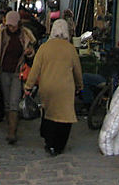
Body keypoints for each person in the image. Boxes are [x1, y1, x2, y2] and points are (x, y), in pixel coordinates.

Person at [25, 18, 83, 155]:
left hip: (47, 87)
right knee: (65, 116)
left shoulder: (44, 48)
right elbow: (77, 70)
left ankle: (49, 143)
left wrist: (28, 86)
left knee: (49, 114)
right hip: (65, 89)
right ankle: (59, 145)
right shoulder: (70, 49)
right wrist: (80, 85)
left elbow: (35, 69)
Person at [0, 10, 36, 144]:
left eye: (14, 26)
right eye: (9, 26)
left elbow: (31, 52)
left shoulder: (25, 35)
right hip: (3, 72)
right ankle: (10, 126)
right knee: (7, 101)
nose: (11, 28)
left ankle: (12, 132)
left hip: (17, 72)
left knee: (14, 101)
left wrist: (29, 53)